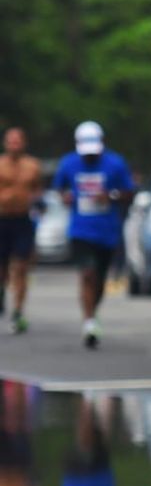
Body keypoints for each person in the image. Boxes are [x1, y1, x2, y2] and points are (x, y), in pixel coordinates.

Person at [52, 121, 135, 349]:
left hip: (107, 231)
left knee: (99, 279)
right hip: (80, 229)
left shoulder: (115, 163)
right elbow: (59, 188)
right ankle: (88, 322)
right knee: (87, 273)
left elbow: (129, 192)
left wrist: (112, 196)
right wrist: (65, 197)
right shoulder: (68, 163)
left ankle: (93, 312)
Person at [0, 127, 42, 334]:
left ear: (23, 143)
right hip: (1, 219)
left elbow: (37, 191)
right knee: (2, 269)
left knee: (21, 267)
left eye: (17, 141)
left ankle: (18, 310)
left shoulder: (32, 166)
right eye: (10, 141)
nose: (14, 145)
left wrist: (37, 205)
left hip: (22, 221)